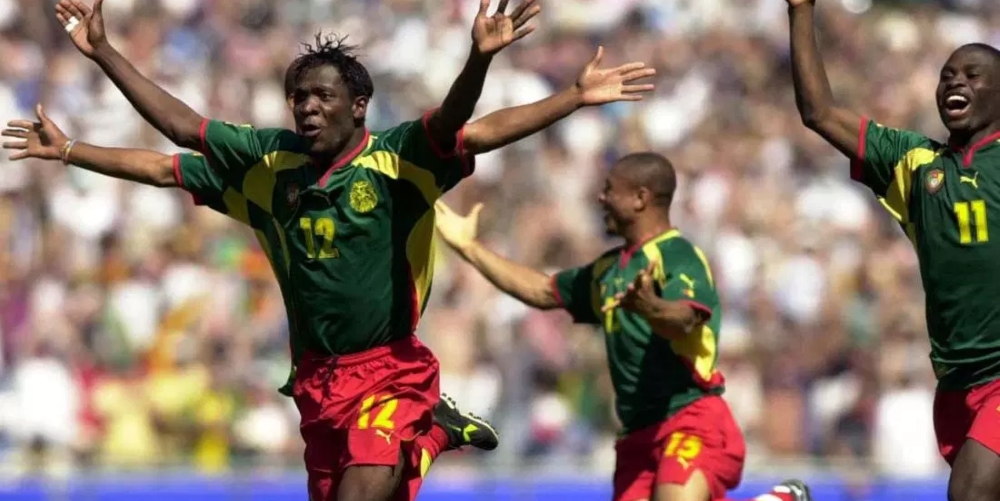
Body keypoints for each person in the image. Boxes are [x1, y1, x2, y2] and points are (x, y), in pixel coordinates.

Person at [5, 2, 656, 501]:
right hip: (316, 381)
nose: (308, 108)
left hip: (390, 369)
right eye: (299, 98)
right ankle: (433, 433)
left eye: (323, 97)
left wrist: (502, 68)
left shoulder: (396, 161)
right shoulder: (268, 167)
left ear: (359, 106)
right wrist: (84, 109)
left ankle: (423, 420)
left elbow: (466, 126)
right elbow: (170, 149)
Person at [432, 152, 812, 501]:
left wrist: (652, 307)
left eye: (610, 189)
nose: (601, 198)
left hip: (690, 418)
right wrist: (469, 248)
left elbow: (687, 318)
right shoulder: (608, 270)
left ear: (640, 198)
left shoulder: (678, 255)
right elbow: (542, 291)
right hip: (638, 434)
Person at [786, 0, 1000, 499]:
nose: (955, 82)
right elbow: (819, 112)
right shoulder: (916, 163)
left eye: (973, 75)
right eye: (947, 76)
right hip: (957, 382)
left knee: (970, 491)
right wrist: (800, 11)